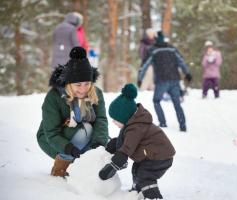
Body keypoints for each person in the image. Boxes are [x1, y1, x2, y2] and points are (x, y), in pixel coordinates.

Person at [37, 47, 109, 177]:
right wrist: (68, 148)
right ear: (69, 84)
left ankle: (82, 170)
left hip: (81, 133)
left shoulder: (95, 93)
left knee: (99, 141)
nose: (83, 90)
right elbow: (51, 133)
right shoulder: (54, 97)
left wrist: (98, 144)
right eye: (78, 85)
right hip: (51, 139)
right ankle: (59, 170)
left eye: (87, 84)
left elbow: (101, 120)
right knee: (85, 130)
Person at [98, 84, 175, 200]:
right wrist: (114, 145)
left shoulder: (136, 128)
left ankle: (152, 196)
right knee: (137, 169)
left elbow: (127, 147)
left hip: (160, 157)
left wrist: (113, 165)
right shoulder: (132, 125)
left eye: (115, 119)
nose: (113, 122)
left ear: (124, 116)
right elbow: (125, 140)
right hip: (152, 156)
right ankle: (137, 191)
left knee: (145, 175)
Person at [138, 31, 192, 132]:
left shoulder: (152, 50)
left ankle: (162, 122)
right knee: (177, 103)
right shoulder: (172, 49)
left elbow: (144, 65)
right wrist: (187, 73)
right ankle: (183, 125)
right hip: (175, 79)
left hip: (161, 80)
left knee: (156, 100)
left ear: (155, 39)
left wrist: (140, 78)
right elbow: (181, 62)